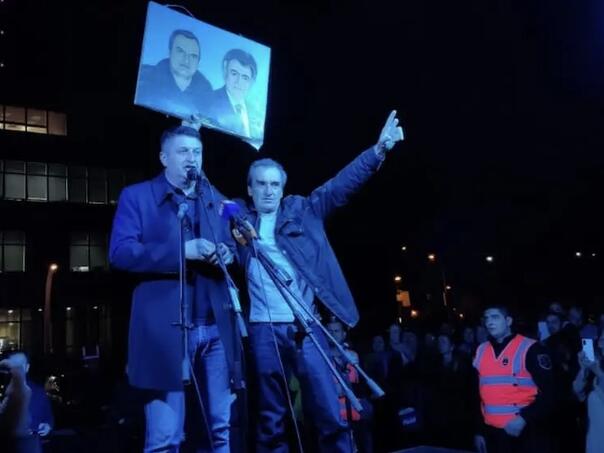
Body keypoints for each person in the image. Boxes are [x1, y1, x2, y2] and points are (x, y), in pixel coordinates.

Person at [234, 110, 403, 452]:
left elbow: (339, 186)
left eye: (275, 184)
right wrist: (192, 128)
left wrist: (378, 151)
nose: (269, 191)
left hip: (306, 328)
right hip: (263, 329)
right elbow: (206, 198)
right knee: (270, 417)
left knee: (328, 410)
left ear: (283, 189)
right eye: (261, 184)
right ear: (249, 189)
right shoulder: (236, 220)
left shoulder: (303, 212)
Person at [109, 125, 241, 452]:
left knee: (221, 429)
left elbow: (233, 242)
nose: (191, 158)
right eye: (183, 151)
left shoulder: (215, 198)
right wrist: (181, 251)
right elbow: (120, 253)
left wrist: (228, 253)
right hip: (166, 332)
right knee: (165, 437)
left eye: (197, 152)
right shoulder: (137, 196)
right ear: (164, 157)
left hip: (215, 328)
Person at [472, 304, 555, 453]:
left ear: (508, 321)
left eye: (495, 317)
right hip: (492, 433)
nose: (489, 322)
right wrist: (479, 431)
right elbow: (479, 394)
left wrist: (524, 418)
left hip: (524, 432)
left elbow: (552, 392)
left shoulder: (530, 348)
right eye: (487, 318)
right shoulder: (481, 349)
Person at [137, 29, 213, 119]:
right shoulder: (142, 77)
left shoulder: (209, 98)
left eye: (193, 56)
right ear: (169, 52)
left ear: (198, 62)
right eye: (180, 51)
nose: (186, 60)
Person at [206, 49, 264, 140]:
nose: (238, 82)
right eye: (234, 73)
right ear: (225, 72)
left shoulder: (255, 112)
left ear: (251, 82)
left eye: (245, 78)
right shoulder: (208, 100)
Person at [0, 352, 40, 453]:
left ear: (27, 367)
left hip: (27, 444)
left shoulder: (34, 391)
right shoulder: (7, 389)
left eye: (19, 365)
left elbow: (47, 417)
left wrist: (47, 425)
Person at [573, 332, 604, 453]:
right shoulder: (597, 364)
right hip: (594, 438)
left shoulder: (597, 369)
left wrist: (598, 372)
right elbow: (577, 392)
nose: (602, 344)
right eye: (601, 340)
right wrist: (583, 369)